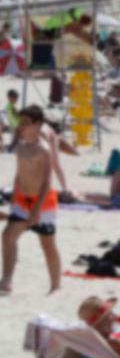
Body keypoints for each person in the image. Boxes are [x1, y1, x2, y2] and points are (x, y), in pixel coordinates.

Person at [1, 106, 61, 294]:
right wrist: (13, 199)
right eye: (21, 122)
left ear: (38, 125)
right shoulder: (20, 147)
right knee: (8, 236)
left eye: (26, 122)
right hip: (22, 200)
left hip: (43, 203)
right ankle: (7, 280)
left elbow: (47, 182)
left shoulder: (43, 149)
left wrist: (36, 208)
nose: (22, 126)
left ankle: (55, 285)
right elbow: (19, 174)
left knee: (47, 244)